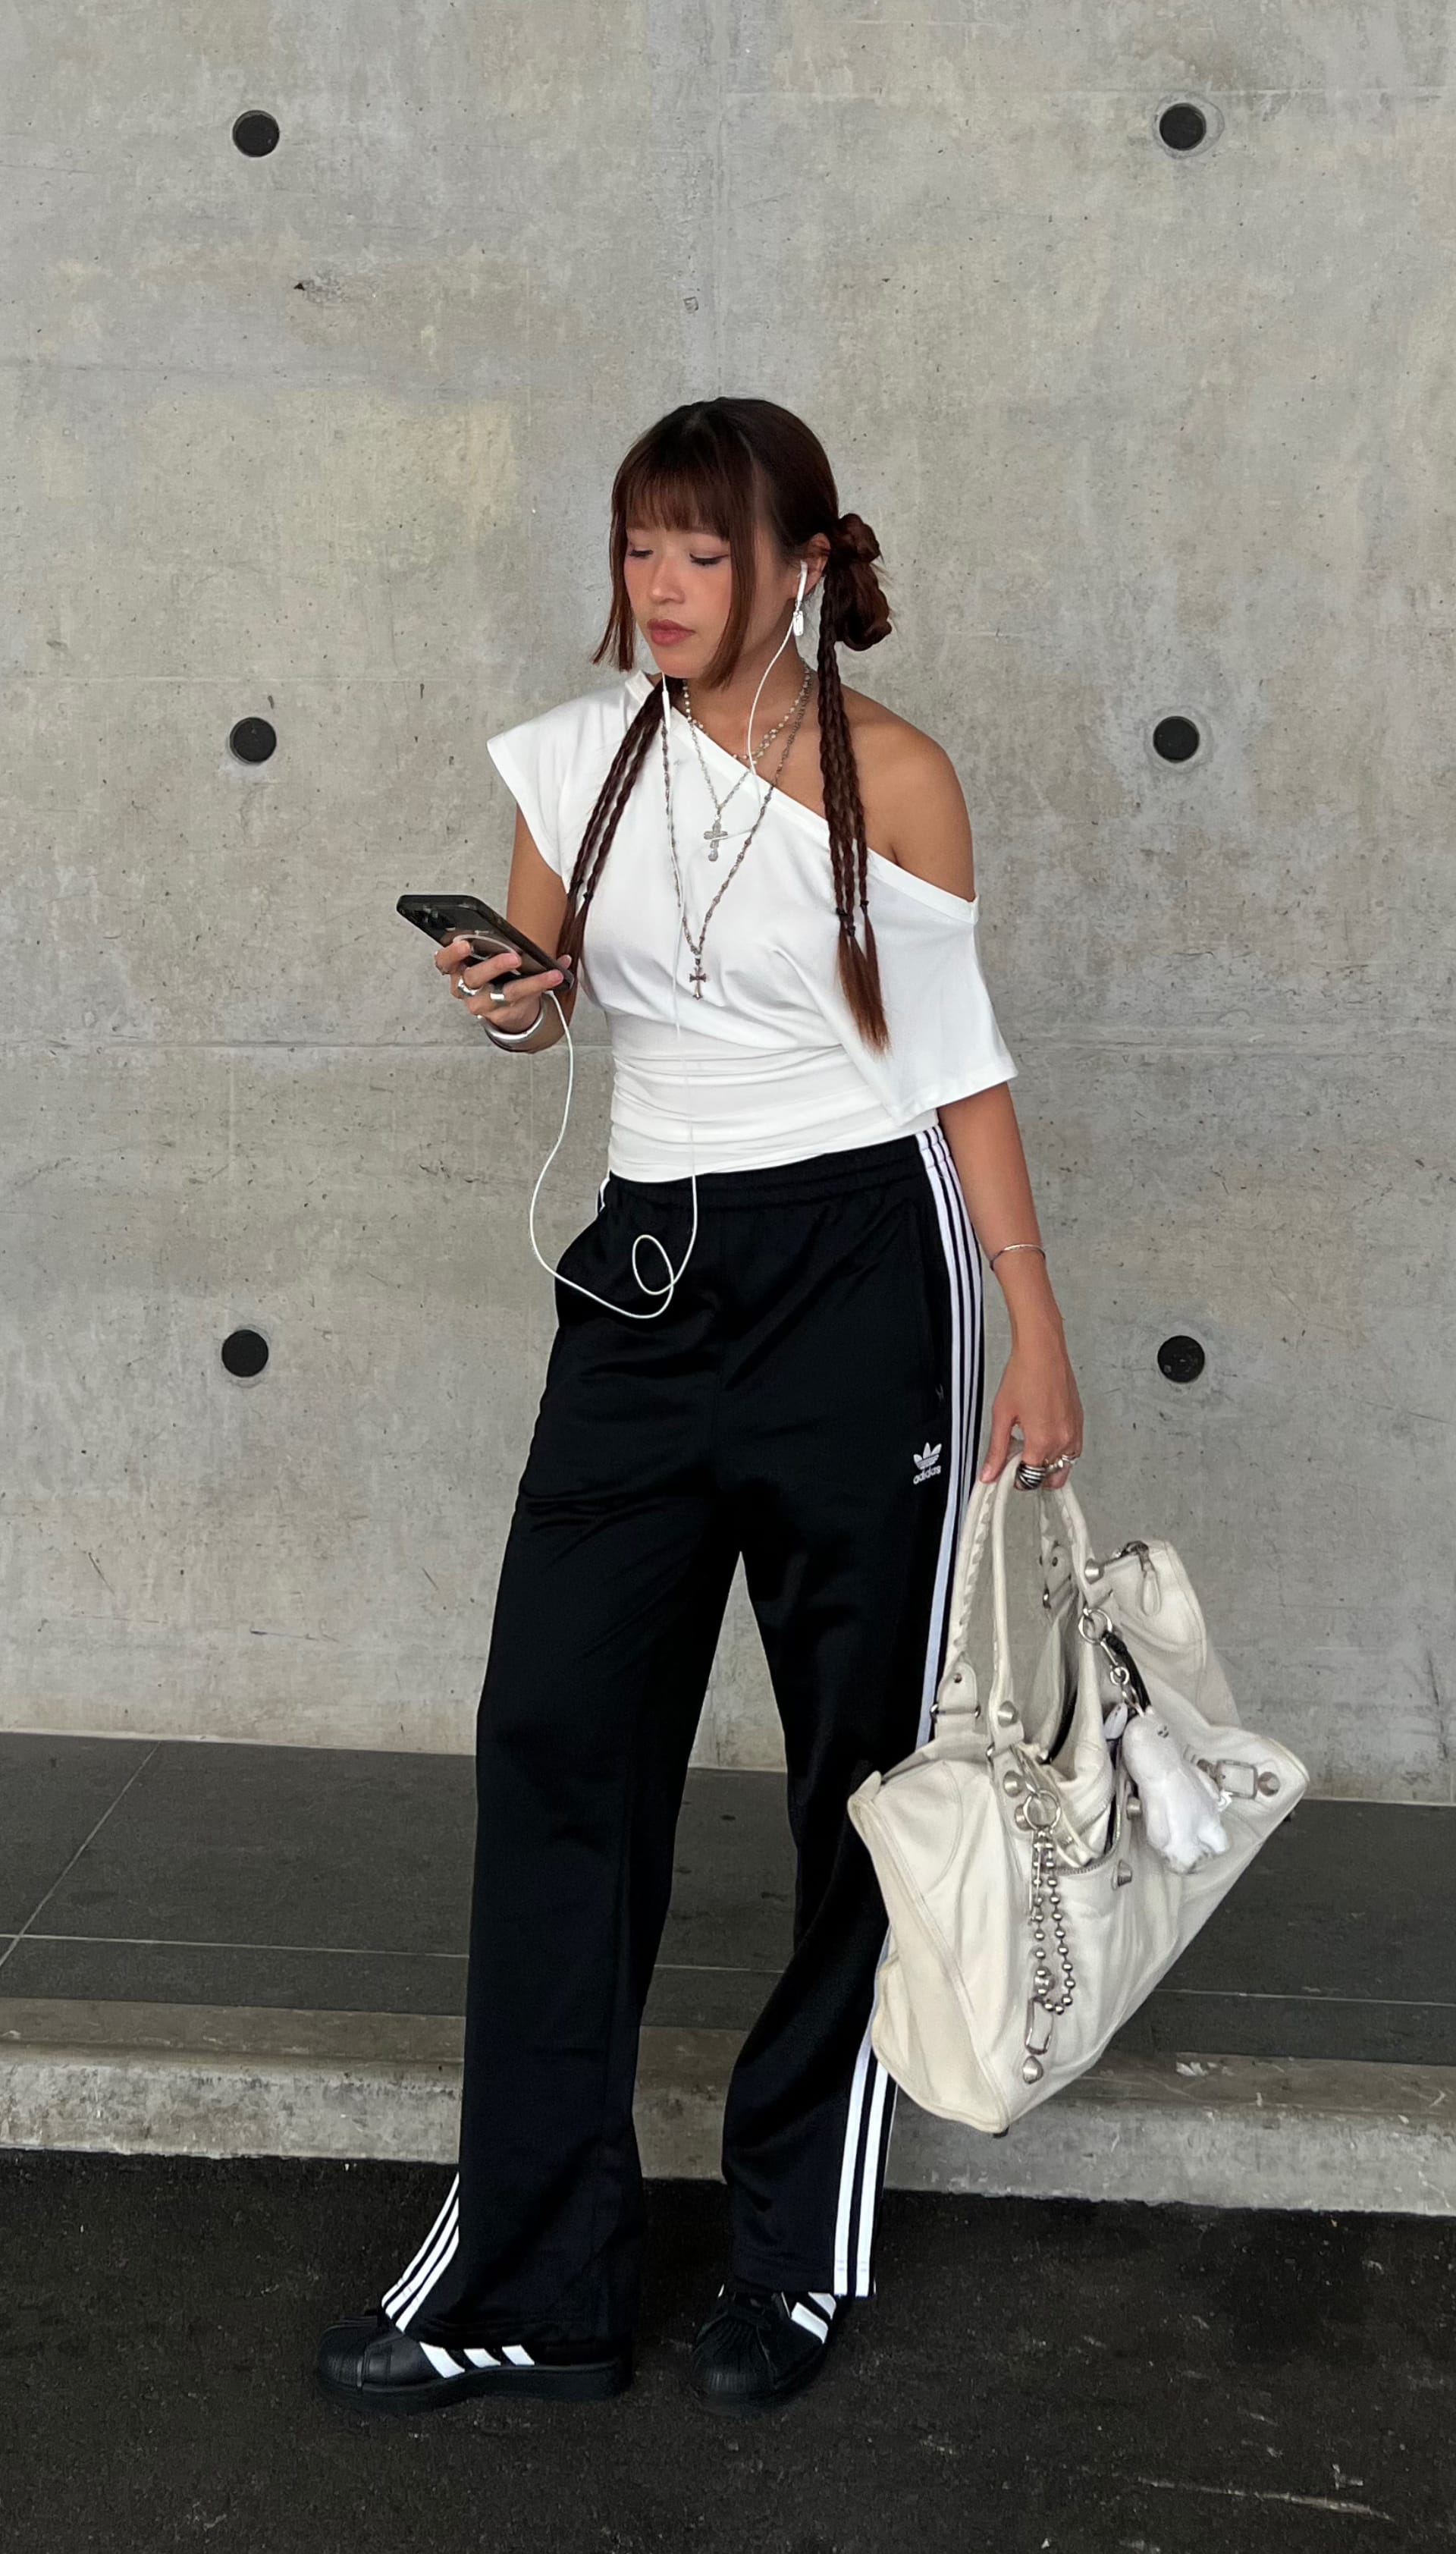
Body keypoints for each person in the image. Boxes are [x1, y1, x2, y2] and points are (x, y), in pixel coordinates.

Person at [318, 396, 1083, 2420]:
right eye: (638, 550)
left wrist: (1033, 1319)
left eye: (701, 552)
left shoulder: (895, 773)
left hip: (867, 1272)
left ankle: (794, 2248)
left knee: (861, 1765)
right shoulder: (571, 764)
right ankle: (537, 2273)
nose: (658, 589)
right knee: (559, 1734)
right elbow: (553, 991)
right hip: (650, 1266)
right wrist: (514, 997)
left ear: (803, 566)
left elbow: (960, 1062)